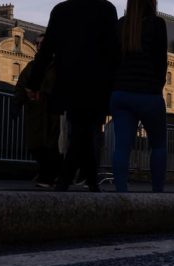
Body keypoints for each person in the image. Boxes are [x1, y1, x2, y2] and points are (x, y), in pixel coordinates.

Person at [26, 0, 119, 192]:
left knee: (79, 129)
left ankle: (75, 179)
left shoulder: (61, 10)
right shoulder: (106, 10)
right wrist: (115, 85)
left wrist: (34, 82)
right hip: (96, 83)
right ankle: (78, 179)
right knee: (84, 130)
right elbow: (113, 52)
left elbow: (47, 49)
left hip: (69, 81)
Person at [111, 0, 168, 192]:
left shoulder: (121, 24)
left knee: (121, 148)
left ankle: (121, 194)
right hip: (148, 94)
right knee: (158, 145)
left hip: (121, 94)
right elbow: (161, 63)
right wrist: (156, 87)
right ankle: (157, 193)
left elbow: (114, 60)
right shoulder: (157, 24)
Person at [13, 34, 61, 188]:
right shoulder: (32, 66)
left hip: (53, 111)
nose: (39, 46)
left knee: (51, 144)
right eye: (37, 43)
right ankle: (48, 174)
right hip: (35, 110)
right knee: (34, 145)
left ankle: (47, 177)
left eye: (42, 43)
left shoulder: (58, 65)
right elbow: (21, 85)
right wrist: (17, 103)